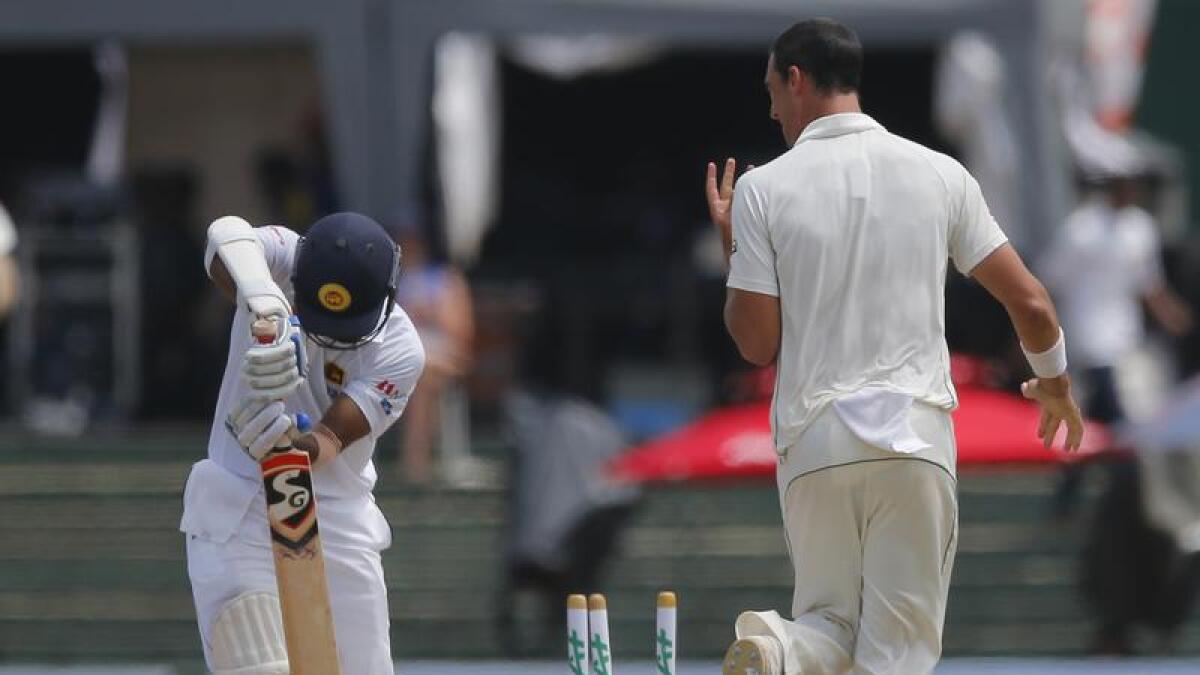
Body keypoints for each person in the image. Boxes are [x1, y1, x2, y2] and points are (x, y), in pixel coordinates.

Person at [706, 19, 1084, 675]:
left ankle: (781, 648)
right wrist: (1053, 381)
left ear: (796, 80)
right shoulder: (940, 173)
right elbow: (1032, 304)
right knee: (898, 656)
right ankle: (782, 650)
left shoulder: (762, 190)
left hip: (815, 439)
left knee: (828, 627)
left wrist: (732, 245)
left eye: (771, 90)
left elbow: (757, 344)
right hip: (914, 439)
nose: (770, 108)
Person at [181, 212, 425, 674]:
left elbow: (332, 436)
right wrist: (261, 300)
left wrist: (297, 445)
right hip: (240, 501)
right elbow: (223, 234)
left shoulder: (401, 348)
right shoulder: (284, 258)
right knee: (253, 657)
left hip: (336, 515)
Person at [391, 211, 474, 483]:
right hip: (398, 356)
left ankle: (416, 463)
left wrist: (430, 313)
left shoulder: (445, 278)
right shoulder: (391, 280)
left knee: (422, 378)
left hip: (442, 356)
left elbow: (460, 330)